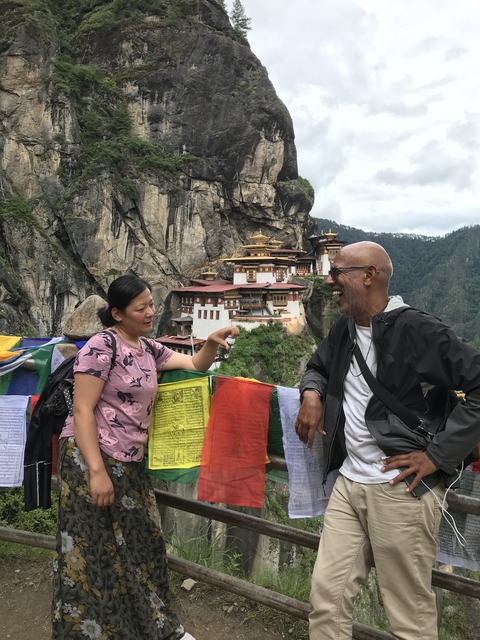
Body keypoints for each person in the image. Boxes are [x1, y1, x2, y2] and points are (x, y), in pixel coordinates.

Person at [295, 241, 480, 640]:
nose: (329, 281)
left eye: (338, 272)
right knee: (326, 597)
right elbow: (317, 366)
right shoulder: (344, 327)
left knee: (407, 615)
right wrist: (311, 392)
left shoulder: (418, 329)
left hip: (401, 489)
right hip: (349, 483)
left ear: (369, 275)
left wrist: (437, 455)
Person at [52, 274, 239, 640]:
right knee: (90, 547)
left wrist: (211, 344)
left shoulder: (148, 348)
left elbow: (195, 364)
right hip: (91, 457)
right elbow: (83, 409)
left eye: (152, 304)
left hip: (130, 461)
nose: (151, 312)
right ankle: (91, 631)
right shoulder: (101, 347)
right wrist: (96, 471)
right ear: (118, 314)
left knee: (143, 541)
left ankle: (151, 624)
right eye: (142, 308)